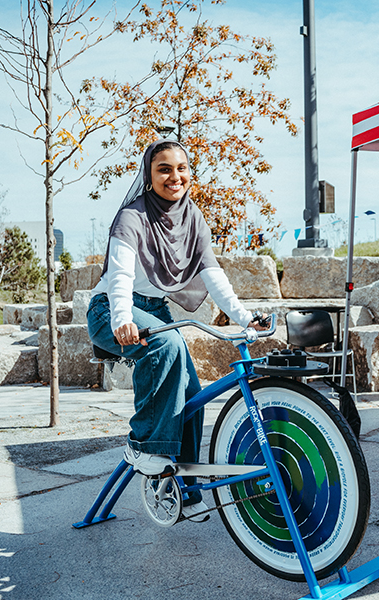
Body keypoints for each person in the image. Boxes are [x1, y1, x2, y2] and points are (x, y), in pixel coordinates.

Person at [86, 139, 259, 522]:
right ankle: (142, 444)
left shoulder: (192, 218)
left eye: (181, 168)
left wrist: (245, 317)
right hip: (111, 310)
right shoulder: (132, 217)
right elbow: (120, 277)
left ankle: (186, 489)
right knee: (165, 346)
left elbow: (212, 275)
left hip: (154, 311)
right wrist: (121, 320)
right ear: (149, 175)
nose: (174, 176)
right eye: (164, 168)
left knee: (192, 394)